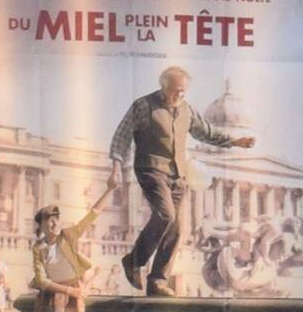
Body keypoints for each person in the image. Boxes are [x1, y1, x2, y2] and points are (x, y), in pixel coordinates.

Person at [105, 65, 252, 296]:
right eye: (175, 91)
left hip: (178, 175)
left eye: (183, 91)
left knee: (176, 229)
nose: (179, 95)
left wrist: (235, 141)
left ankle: (157, 281)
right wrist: (115, 166)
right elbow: (121, 136)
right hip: (151, 169)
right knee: (166, 215)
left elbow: (207, 133)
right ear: (163, 86)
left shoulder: (187, 110)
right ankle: (133, 261)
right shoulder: (144, 105)